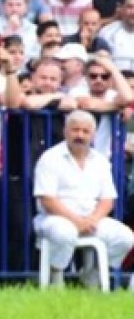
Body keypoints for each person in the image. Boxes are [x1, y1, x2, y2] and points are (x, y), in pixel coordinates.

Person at [33, 110, 134, 286]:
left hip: (91, 218)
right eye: (75, 130)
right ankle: (56, 275)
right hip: (55, 218)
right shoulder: (50, 158)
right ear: (66, 131)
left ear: (93, 135)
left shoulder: (100, 161)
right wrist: (77, 221)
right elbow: (47, 199)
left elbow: (108, 199)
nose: (80, 135)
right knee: (65, 233)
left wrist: (92, 220)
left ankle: (93, 272)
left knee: (126, 237)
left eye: (85, 131)